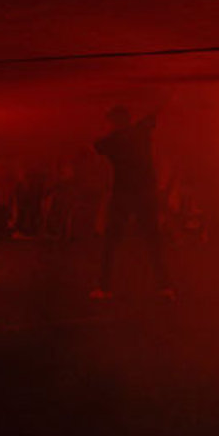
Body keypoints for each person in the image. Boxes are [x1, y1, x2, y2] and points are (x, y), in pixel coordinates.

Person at [91, 106, 174, 301]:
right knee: (153, 241)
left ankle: (104, 287)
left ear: (114, 122)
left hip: (124, 194)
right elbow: (154, 114)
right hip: (145, 193)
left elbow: (96, 146)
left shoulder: (113, 140)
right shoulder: (140, 130)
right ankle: (164, 287)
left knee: (111, 242)